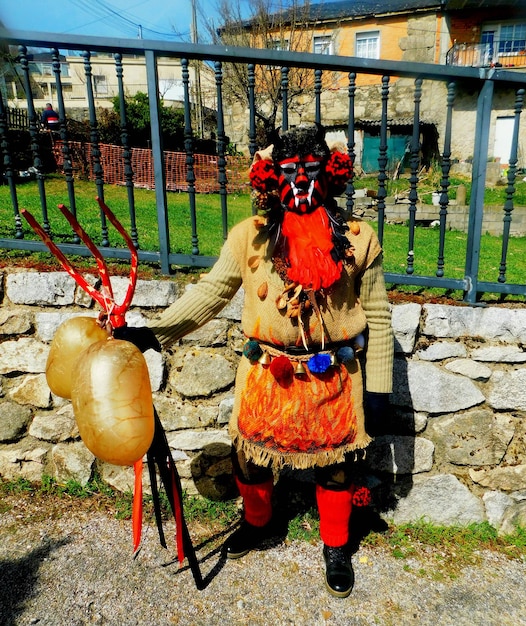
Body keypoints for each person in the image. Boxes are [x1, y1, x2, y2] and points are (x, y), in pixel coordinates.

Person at [118, 124, 394, 598]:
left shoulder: (359, 237)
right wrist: (152, 332)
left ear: (329, 174)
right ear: (272, 178)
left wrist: (380, 388)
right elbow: (211, 291)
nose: (301, 184)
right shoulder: (250, 236)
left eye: (310, 172)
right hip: (266, 372)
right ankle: (259, 522)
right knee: (250, 457)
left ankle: (335, 546)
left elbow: (378, 313)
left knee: (337, 468)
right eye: (289, 173)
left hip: (335, 378)